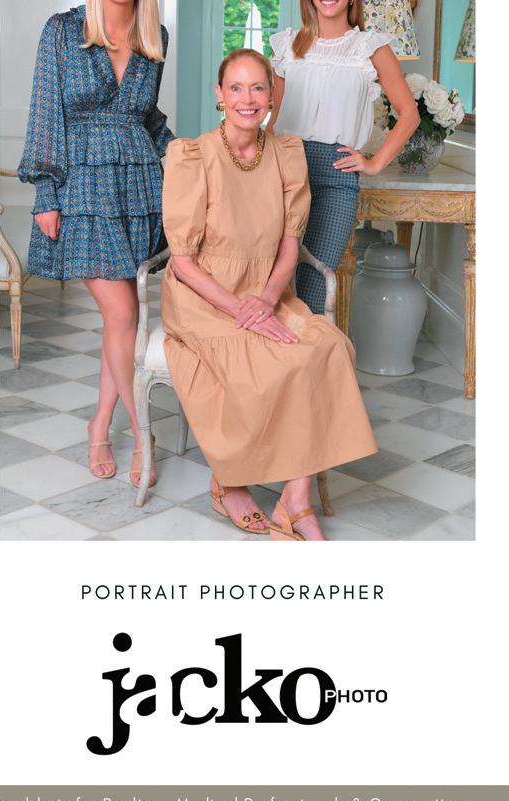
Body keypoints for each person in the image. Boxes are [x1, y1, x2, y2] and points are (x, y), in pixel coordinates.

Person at [161, 48, 376, 542]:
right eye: (236, 88)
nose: (248, 98)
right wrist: (242, 310)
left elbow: (289, 246)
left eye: (258, 87)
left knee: (329, 347)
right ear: (219, 95)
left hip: (266, 289)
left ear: (272, 96)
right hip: (204, 295)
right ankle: (229, 480)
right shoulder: (192, 156)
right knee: (268, 365)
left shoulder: (285, 153)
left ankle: (294, 499)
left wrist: (265, 300)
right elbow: (184, 263)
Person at [18, 0, 173, 487]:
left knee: (122, 319)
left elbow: (148, 120)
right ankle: (143, 434)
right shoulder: (62, 30)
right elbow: (45, 111)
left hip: (139, 188)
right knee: (124, 316)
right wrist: (46, 192)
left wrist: (191, 157)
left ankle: (100, 425)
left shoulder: (154, 35)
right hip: (82, 188)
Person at [268, 0, 420, 313]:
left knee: (314, 282)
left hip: (336, 175)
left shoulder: (370, 47)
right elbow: (274, 117)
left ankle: (311, 350)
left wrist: (374, 163)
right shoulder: (287, 44)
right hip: (283, 167)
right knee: (266, 276)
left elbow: (410, 114)